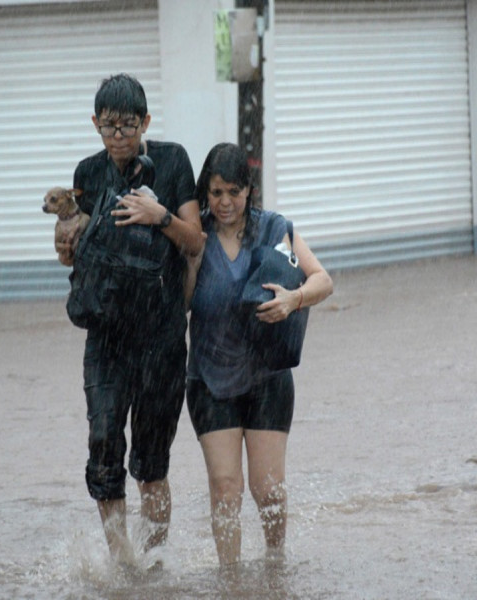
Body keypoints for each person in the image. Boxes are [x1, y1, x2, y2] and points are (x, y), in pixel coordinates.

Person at [67, 73, 204, 564]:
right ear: (95, 125)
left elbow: (196, 242)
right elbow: (75, 251)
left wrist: (159, 215)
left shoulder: (171, 161)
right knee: (104, 444)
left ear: (145, 121)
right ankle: (124, 563)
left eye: (128, 125)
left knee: (150, 463)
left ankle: (155, 562)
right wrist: (64, 241)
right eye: (109, 126)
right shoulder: (87, 172)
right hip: (105, 336)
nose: (119, 136)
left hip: (161, 338)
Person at [186, 143, 333, 566]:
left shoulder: (274, 229)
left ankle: (275, 562)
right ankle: (230, 578)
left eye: (234, 192)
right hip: (209, 378)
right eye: (216, 193)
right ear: (205, 194)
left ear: (249, 191)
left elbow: (324, 279)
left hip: (268, 376)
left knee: (267, 489)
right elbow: (179, 304)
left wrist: (294, 299)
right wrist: (192, 260)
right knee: (225, 486)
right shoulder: (194, 235)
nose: (225, 202)